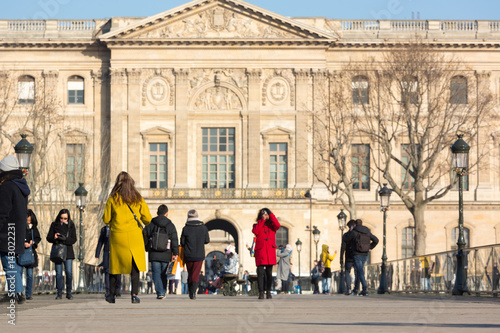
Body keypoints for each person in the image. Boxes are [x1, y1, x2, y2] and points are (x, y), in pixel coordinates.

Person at [102, 171, 152, 304]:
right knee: (134, 267)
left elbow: (106, 218)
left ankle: (111, 295)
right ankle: (134, 295)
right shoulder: (137, 198)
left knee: (115, 266)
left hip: (118, 236)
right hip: (134, 236)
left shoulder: (113, 198)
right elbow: (147, 219)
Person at [0, 155, 30, 304]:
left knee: (8, 263)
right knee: (14, 263)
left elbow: (2, 212)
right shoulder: (21, 186)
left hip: (6, 232)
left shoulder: (7, 187)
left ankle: (17, 293)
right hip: (17, 231)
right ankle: (15, 292)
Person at [143, 204, 179, 299]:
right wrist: (175, 253)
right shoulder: (170, 225)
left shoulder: (151, 224)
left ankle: (160, 292)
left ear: (157, 213)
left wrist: (147, 247)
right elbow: (174, 240)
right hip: (166, 253)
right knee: (164, 273)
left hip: (154, 253)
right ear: (167, 214)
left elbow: (145, 235)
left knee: (156, 273)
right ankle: (163, 291)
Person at [46, 208, 77, 300]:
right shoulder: (54, 224)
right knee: (59, 273)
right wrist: (54, 237)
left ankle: (69, 292)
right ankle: (59, 293)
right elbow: (48, 238)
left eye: (65, 218)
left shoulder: (71, 225)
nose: (63, 220)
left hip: (68, 251)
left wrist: (65, 239)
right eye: (61, 218)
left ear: (68, 218)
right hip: (58, 251)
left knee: (69, 272)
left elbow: (74, 239)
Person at [180, 209, 210, 300]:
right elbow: (207, 240)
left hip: (188, 254)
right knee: (195, 274)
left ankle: (191, 291)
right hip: (199, 254)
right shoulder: (203, 228)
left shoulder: (185, 228)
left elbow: (182, 242)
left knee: (190, 273)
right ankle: (192, 292)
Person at [252, 208, 280, 299]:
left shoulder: (272, 226)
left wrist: (270, 213)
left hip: (270, 252)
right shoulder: (256, 225)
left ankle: (268, 291)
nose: (265, 215)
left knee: (269, 273)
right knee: (260, 272)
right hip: (261, 252)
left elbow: (278, 224)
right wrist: (262, 220)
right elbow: (256, 231)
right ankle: (260, 292)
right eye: (263, 214)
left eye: (266, 214)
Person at [346, 219, 379, 297]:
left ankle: (365, 289)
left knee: (360, 271)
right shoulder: (367, 232)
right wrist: (370, 247)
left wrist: (350, 231)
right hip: (365, 254)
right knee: (359, 270)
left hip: (356, 254)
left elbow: (346, 239)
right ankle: (356, 289)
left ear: (355, 224)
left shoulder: (354, 232)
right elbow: (376, 240)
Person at [95, 225, 122, 298]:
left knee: (117, 272)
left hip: (117, 253)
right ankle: (108, 290)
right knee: (107, 271)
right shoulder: (104, 229)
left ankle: (117, 289)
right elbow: (100, 242)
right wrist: (97, 254)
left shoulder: (118, 226)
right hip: (107, 253)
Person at [21, 209, 41, 300]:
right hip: (21, 253)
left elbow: (38, 238)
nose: (28, 222)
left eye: (30, 220)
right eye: (27, 220)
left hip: (30, 253)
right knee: (19, 273)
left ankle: (28, 294)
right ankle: (19, 293)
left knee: (29, 275)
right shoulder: (20, 227)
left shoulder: (34, 228)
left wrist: (33, 242)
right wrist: (24, 243)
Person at [341, 220, 356, 295]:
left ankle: (349, 289)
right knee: (358, 272)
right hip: (357, 255)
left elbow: (342, 248)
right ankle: (356, 289)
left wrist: (341, 259)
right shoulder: (357, 234)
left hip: (348, 257)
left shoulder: (345, 235)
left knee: (347, 272)